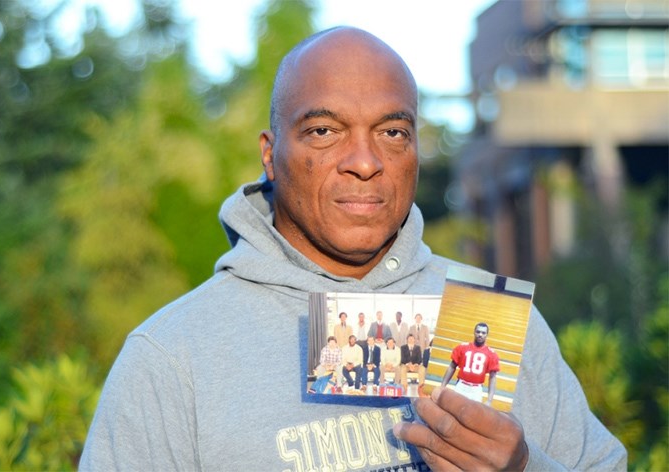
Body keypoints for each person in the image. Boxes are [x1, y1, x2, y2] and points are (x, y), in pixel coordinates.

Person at [80, 27, 626, 471]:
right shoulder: (173, 358)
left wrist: (525, 470)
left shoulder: (491, 316)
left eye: (392, 132)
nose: (364, 161)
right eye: (323, 131)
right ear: (271, 156)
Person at [441, 322, 500, 406]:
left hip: (476, 389)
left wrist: (489, 400)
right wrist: (443, 386)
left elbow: (493, 377)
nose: (480, 335)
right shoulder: (462, 347)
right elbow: (452, 367)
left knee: (473, 416)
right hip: (461, 385)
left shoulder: (492, 354)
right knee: (454, 409)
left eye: (483, 333)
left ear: (487, 335)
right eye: (478, 332)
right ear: (474, 332)